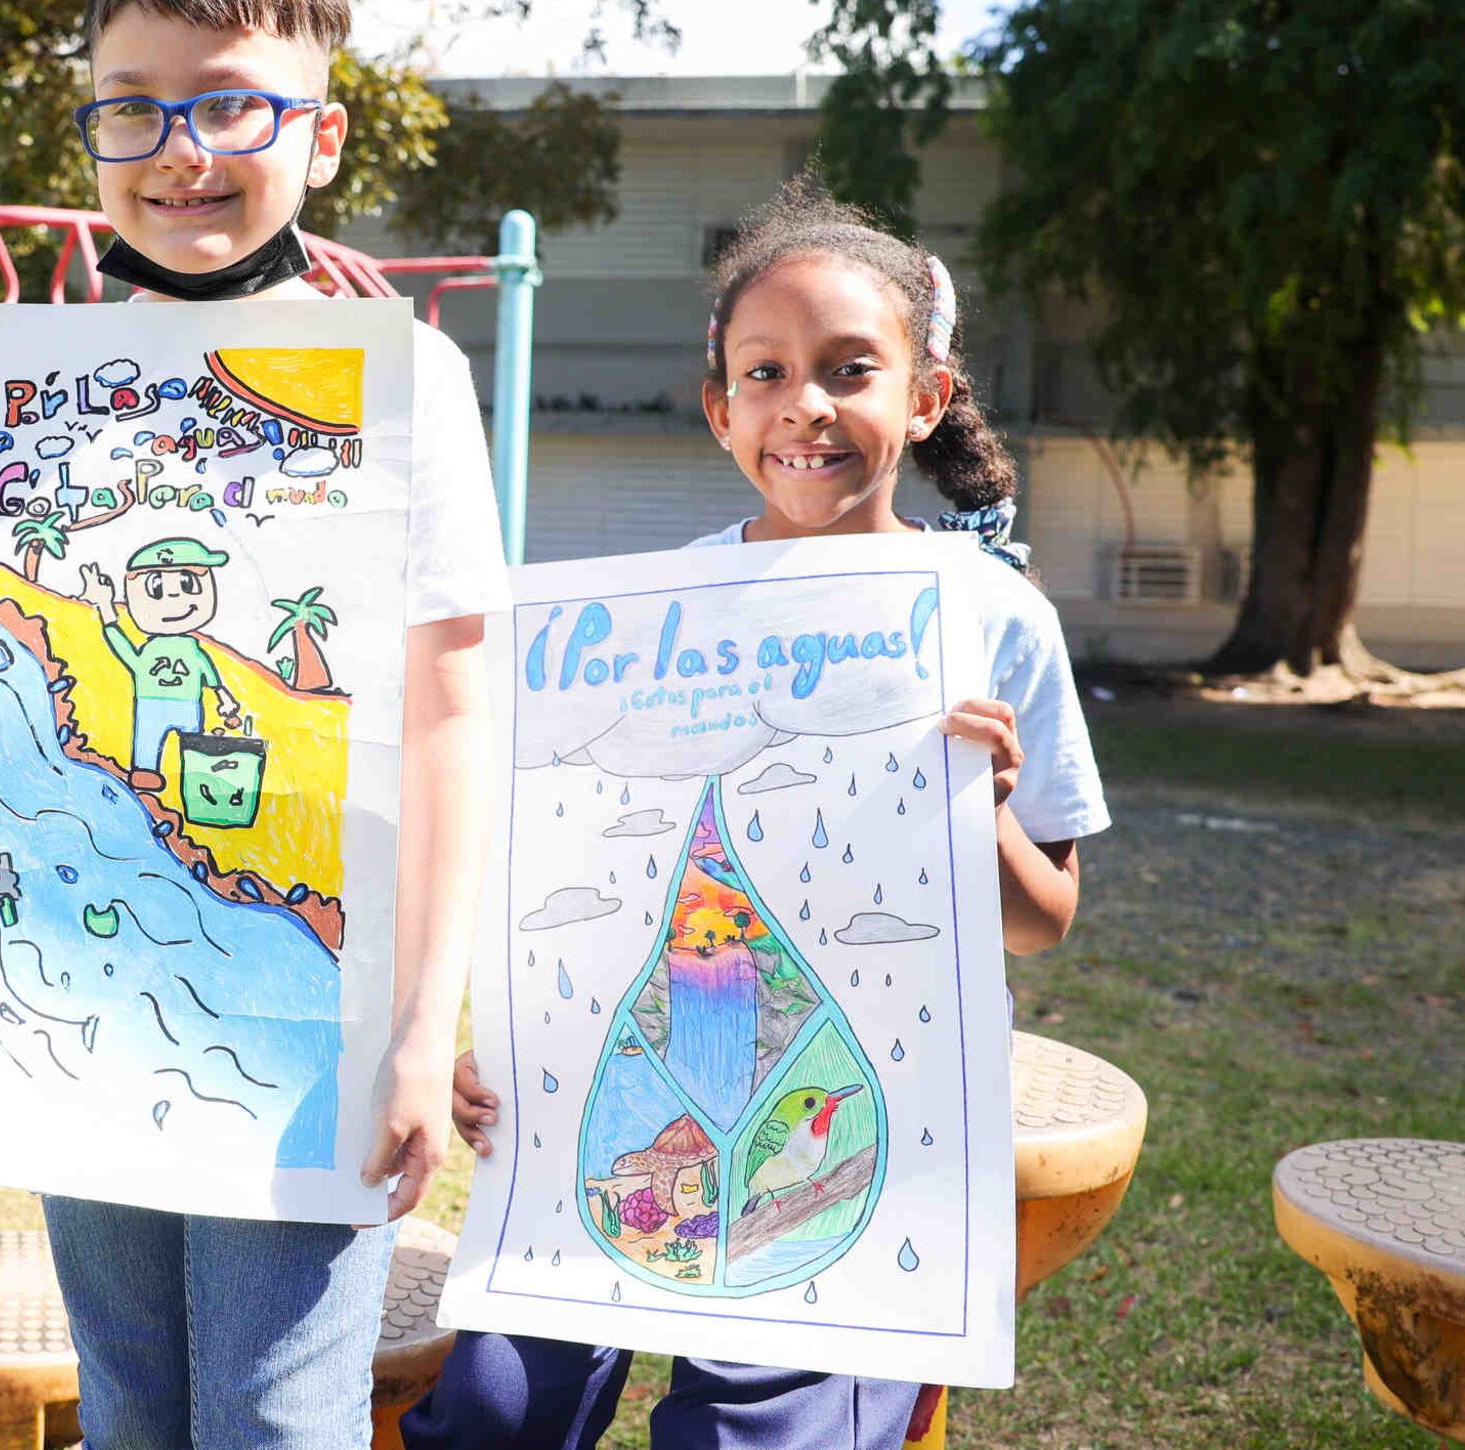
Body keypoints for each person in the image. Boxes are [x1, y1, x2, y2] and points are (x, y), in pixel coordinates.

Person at [0, 0, 510, 1450]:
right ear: (92, 132)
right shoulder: (0, 382)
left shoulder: (407, 379)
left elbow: (456, 705)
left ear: (319, 135)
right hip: (97, 994)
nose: (183, 148)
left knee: (274, 1410)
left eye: (233, 103)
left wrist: (417, 1021)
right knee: (127, 1398)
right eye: (135, 106)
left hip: (312, 1009)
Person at [404, 178, 1109, 1450]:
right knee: (494, 1413)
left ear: (926, 396)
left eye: (850, 369)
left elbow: (1043, 919)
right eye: (768, 372)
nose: (807, 406)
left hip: (836, 1155)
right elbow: (573, 880)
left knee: (754, 1433)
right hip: (621, 1125)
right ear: (721, 405)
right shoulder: (632, 622)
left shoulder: (993, 617)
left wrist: (985, 814)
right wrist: (516, 1046)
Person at [79, 535, 248, 787]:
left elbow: (209, 674)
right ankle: (146, 772)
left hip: (188, 704)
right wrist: (105, 606)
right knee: (147, 742)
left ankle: (197, 779)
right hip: (150, 704)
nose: (172, 596)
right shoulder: (150, 651)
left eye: (188, 583)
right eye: (156, 587)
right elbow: (125, 652)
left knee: (193, 748)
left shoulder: (192, 649)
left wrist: (224, 698)